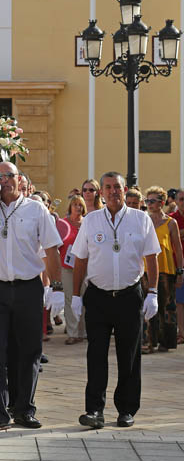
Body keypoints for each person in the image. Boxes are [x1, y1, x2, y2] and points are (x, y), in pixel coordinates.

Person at [0, 162, 64, 432]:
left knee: (30, 351)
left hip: (28, 286)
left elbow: (52, 250)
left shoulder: (36, 209)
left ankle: (24, 410)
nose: (4, 181)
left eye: (9, 176)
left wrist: (56, 288)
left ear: (20, 180)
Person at [71, 171, 160, 430]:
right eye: (108, 187)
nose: (112, 191)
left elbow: (152, 257)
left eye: (117, 187)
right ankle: (94, 410)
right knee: (96, 354)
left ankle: (126, 409)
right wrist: (76, 295)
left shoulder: (141, 219)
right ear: (102, 192)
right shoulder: (91, 221)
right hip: (98, 296)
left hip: (129, 295)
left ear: (125, 189)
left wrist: (152, 292)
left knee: (129, 355)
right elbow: (80, 259)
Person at [143, 186, 183, 353]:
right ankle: (150, 342)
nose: (149, 204)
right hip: (147, 270)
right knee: (149, 306)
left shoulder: (170, 223)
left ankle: (166, 342)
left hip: (167, 270)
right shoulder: (144, 221)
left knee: (167, 307)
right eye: (147, 201)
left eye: (152, 201)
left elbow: (178, 249)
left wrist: (180, 271)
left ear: (161, 202)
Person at [60, 195, 87, 345]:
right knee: (70, 299)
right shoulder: (62, 224)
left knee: (84, 299)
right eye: (75, 204)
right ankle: (72, 332)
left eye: (80, 205)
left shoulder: (87, 223)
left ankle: (82, 332)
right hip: (67, 267)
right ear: (70, 206)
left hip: (85, 267)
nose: (78, 207)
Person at [170, 189, 184, 344]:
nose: (183, 202)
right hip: (178, 263)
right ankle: (181, 332)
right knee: (179, 300)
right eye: (181, 199)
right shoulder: (172, 219)